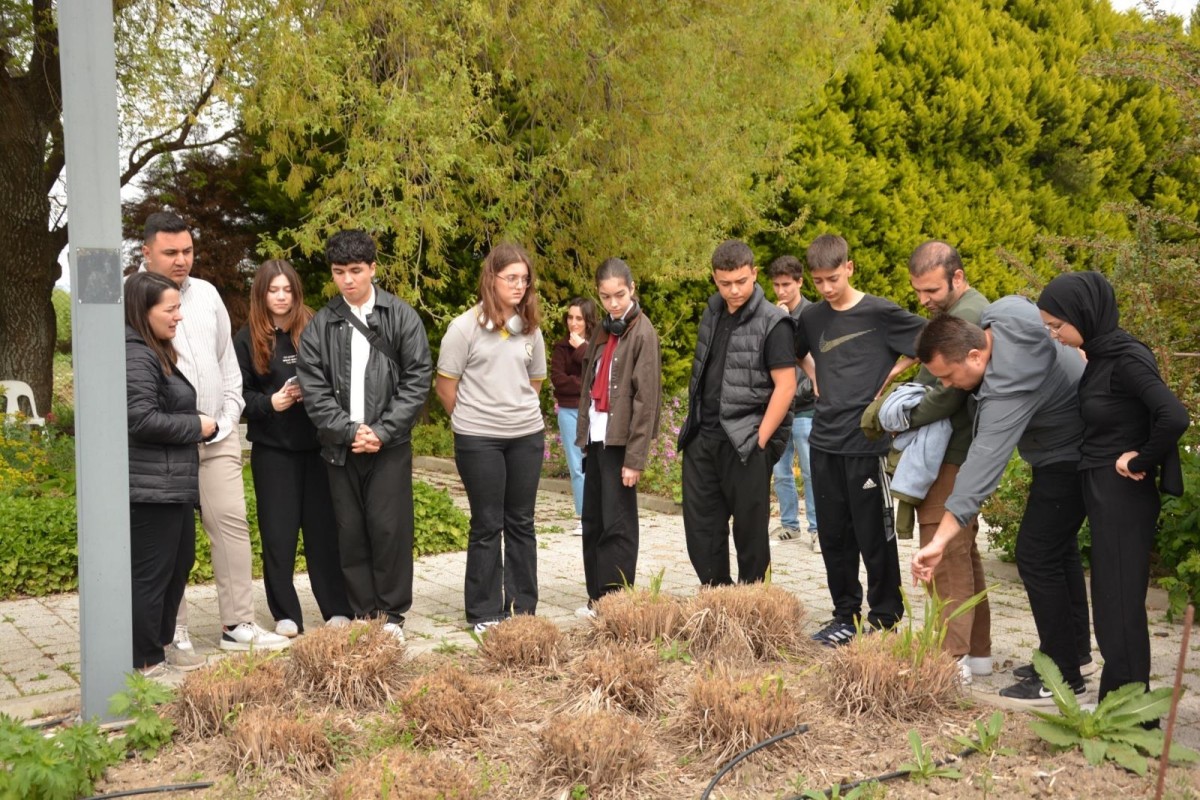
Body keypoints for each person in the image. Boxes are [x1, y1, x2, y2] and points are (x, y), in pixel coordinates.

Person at [911, 297, 1092, 705]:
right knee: (1057, 550)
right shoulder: (1005, 313)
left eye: (949, 375)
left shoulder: (1009, 388)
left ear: (976, 354)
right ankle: (1073, 654)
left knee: (1035, 554)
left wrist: (937, 543)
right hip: (1070, 446)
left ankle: (1063, 679)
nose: (947, 386)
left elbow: (979, 473)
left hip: (1074, 453)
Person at [140, 212, 289, 652]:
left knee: (231, 525)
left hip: (217, 434)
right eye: (171, 252)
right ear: (146, 251)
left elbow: (227, 362)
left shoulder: (205, 294)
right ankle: (174, 630)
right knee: (171, 538)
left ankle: (237, 625)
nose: (182, 260)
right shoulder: (133, 298)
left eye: (187, 250)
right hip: (165, 441)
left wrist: (227, 415)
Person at [1038, 271, 1189, 703]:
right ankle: (1119, 702)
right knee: (1109, 602)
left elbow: (1174, 416)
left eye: (1057, 325)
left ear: (1084, 314)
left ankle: (1132, 711)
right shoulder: (1102, 355)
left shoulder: (1125, 359)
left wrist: (1141, 458)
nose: (1054, 335)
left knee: (1118, 605)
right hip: (1105, 490)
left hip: (1123, 493)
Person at [298, 231, 431, 641]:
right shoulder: (321, 324)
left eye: (356, 271)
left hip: (388, 447)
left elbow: (417, 378)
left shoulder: (401, 316)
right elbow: (313, 387)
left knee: (389, 530)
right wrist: (350, 430)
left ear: (373, 268)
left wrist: (384, 431)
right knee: (350, 531)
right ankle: (362, 612)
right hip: (341, 447)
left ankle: (391, 615)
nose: (348, 280)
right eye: (339, 272)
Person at [795, 234, 926, 647]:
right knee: (833, 534)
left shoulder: (881, 312)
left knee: (874, 534)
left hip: (866, 443)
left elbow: (929, 340)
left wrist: (890, 375)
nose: (827, 288)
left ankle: (885, 617)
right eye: (818, 281)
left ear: (849, 267)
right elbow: (799, 351)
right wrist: (816, 378)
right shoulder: (813, 319)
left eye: (833, 278)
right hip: (824, 441)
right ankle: (843, 616)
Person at [234, 260, 353, 638]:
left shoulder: (316, 327)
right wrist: (273, 403)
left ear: (296, 292)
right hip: (274, 450)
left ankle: (335, 606)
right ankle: (286, 613)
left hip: (317, 447)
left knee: (323, 532)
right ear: (262, 294)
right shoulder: (246, 338)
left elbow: (340, 377)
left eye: (287, 289)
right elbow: (239, 397)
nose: (281, 297)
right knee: (279, 534)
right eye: (274, 290)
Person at [436, 243, 546, 635]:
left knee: (522, 522)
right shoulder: (463, 327)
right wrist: (472, 419)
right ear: (492, 279)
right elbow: (446, 384)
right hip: (478, 439)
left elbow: (534, 381)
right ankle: (483, 612)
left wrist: (515, 413)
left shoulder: (530, 327)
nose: (519, 286)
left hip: (526, 437)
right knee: (486, 523)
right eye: (511, 278)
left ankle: (521, 609)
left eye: (524, 279)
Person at [677, 240, 795, 587]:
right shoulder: (712, 311)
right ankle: (717, 597)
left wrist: (760, 440)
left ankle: (753, 603)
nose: (734, 290)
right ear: (714, 279)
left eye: (741, 281)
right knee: (701, 525)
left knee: (750, 530)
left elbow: (786, 386)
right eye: (724, 283)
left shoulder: (774, 322)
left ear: (754, 274)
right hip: (703, 437)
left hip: (746, 441)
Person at [904, 241, 993, 682]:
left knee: (945, 550)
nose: (924, 300)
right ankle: (976, 653)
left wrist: (895, 416)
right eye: (918, 292)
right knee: (963, 550)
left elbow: (945, 393)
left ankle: (950, 659)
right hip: (957, 449)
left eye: (931, 290)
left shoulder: (968, 316)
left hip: (951, 451)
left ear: (957, 277)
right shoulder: (966, 310)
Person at [124, 271, 210, 675]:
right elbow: (140, 420)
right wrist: (198, 426)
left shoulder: (154, 350)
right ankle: (145, 660)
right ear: (145, 312)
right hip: (150, 488)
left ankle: (157, 647)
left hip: (170, 484)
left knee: (178, 565)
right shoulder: (137, 355)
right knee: (152, 574)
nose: (178, 317)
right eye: (170, 309)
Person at [574, 258, 662, 614]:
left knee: (618, 524)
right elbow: (588, 383)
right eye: (606, 296)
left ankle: (616, 602)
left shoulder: (643, 332)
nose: (613, 303)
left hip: (620, 442)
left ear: (633, 288)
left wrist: (634, 459)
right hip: (596, 437)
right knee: (593, 520)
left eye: (619, 295)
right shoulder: (603, 329)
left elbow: (646, 400)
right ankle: (596, 598)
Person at [766, 255, 819, 551]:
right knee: (780, 470)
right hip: (779, 404)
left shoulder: (813, 314)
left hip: (807, 406)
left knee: (811, 470)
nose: (781, 291)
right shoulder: (773, 313)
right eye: (776, 285)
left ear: (799, 282)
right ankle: (789, 525)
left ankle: (817, 528)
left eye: (786, 285)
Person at [550, 297, 598, 534]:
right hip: (569, 411)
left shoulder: (598, 344)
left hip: (596, 412)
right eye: (570, 317)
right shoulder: (560, 347)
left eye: (579, 318)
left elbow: (598, 373)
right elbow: (558, 381)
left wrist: (581, 349)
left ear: (588, 320)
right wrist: (584, 385)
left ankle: (599, 514)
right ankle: (583, 517)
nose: (573, 323)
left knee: (597, 464)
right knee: (577, 465)